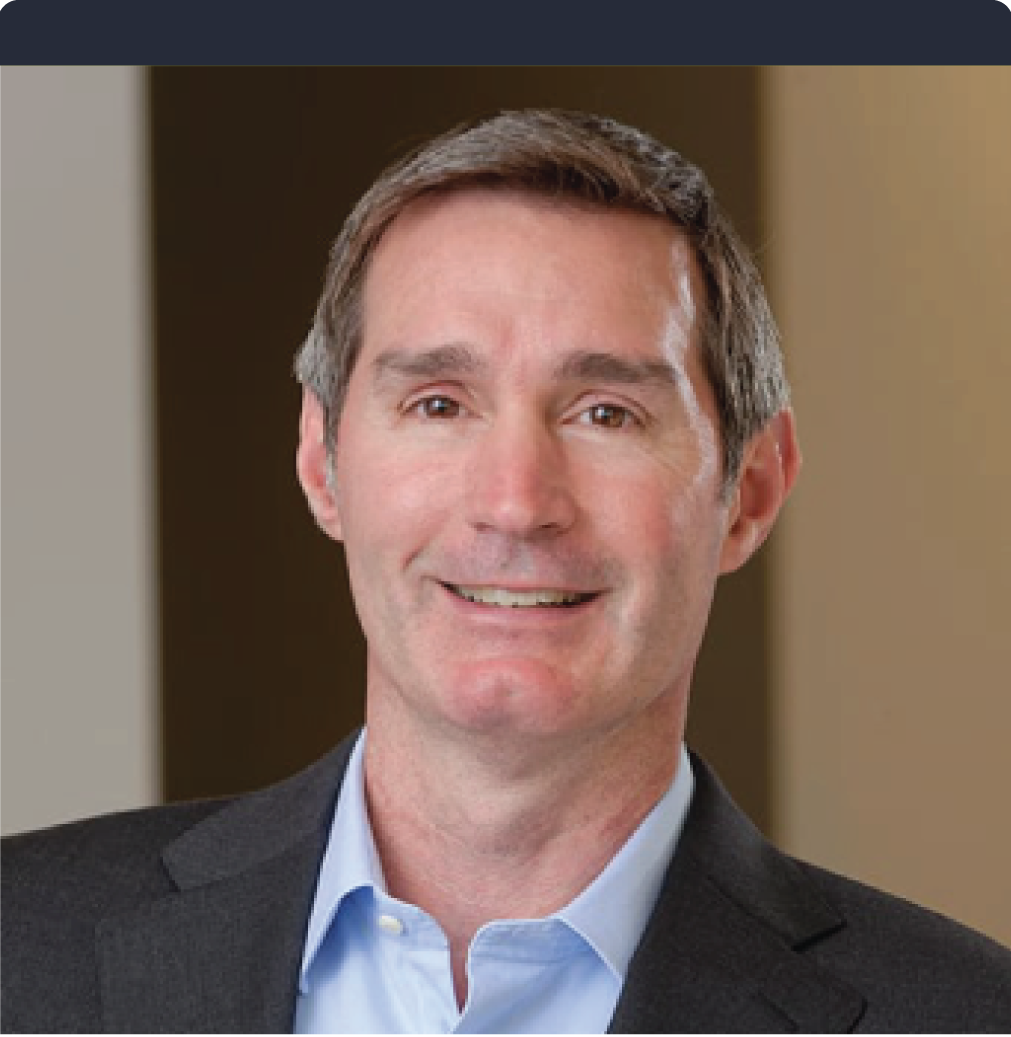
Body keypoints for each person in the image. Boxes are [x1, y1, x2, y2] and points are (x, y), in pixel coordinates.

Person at [1, 109, 1009, 1036]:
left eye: (606, 413)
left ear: (748, 489)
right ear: (324, 463)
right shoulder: (20, 944)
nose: (517, 502)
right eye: (439, 403)